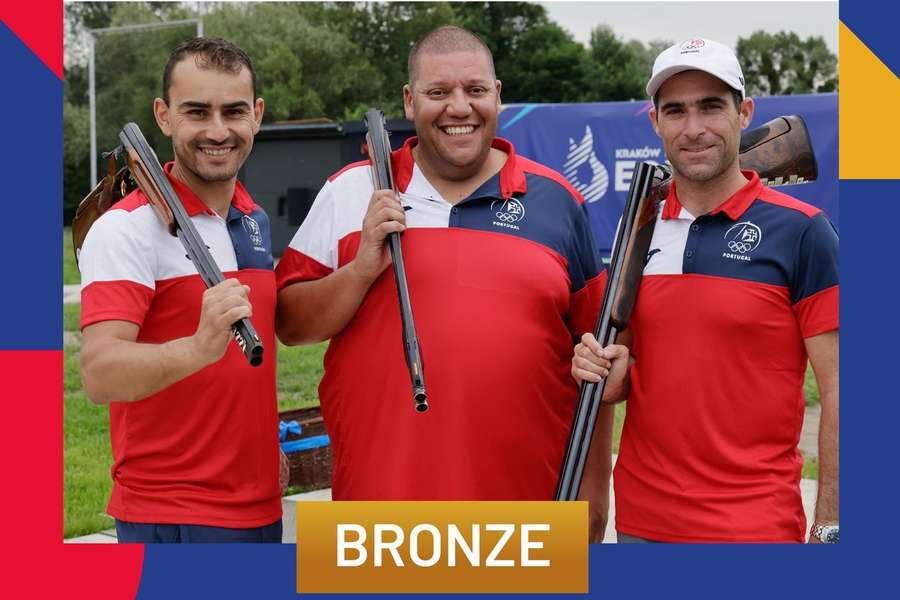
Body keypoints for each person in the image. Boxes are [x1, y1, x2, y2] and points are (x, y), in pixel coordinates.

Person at [275, 26, 629, 504]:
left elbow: (596, 358)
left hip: (526, 512)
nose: (459, 108)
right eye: (438, 92)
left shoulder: (557, 201)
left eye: (475, 90)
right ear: (408, 100)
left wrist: (593, 500)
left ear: (497, 96)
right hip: (378, 512)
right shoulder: (350, 191)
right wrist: (360, 270)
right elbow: (290, 325)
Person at [572, 38, 839, 543]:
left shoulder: (804, 232)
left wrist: (831, 529)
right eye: (675, 111)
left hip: (756, 532)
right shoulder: (638, 231)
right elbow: (622, 372)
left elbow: (844, 391)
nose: (693, 128)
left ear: (745, 113)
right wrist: (603, 371)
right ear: (655, 123)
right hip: (641, 527)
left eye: (711, 106)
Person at [79, 37, 284, 543]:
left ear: (256, 115)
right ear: (164, 116)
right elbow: (100, 374)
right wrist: (198, 346)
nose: (218, 131)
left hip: (258, 501)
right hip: (173, 512)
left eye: (233, 111)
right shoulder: (125, 229)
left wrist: (261, 445)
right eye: (197, 112)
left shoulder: (252, 218)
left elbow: (246, 373)